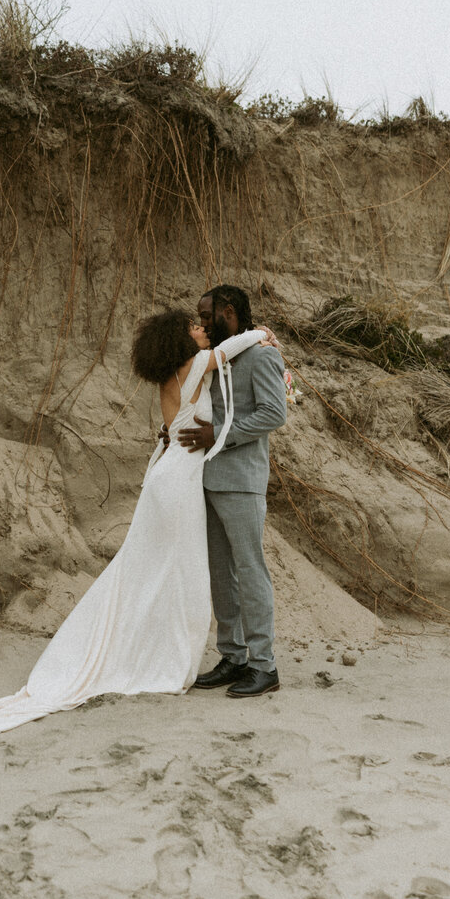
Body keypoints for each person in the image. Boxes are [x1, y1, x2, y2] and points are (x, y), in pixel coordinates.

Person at [0, 309, 272, 742]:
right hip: (178, 483)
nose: (201, 329)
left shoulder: (173, 373)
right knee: (177, 572)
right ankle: (159, 657)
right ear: (179, 341)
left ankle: (149, 649)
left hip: (170, 478)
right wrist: (261, 332)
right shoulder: (194, 365)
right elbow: (229, 349)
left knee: (154, 569)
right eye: (192, 327)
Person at [178, 285, 287, 698]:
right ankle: (233, 656)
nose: (203, 323)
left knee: (250, 570)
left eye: (207, 315)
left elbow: (274, 413)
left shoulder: (262, 355)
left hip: (242, 480)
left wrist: (218, 436)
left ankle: (264, 666)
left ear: (228, 311)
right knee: (221, 575)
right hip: (207, 479)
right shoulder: (218, 358)